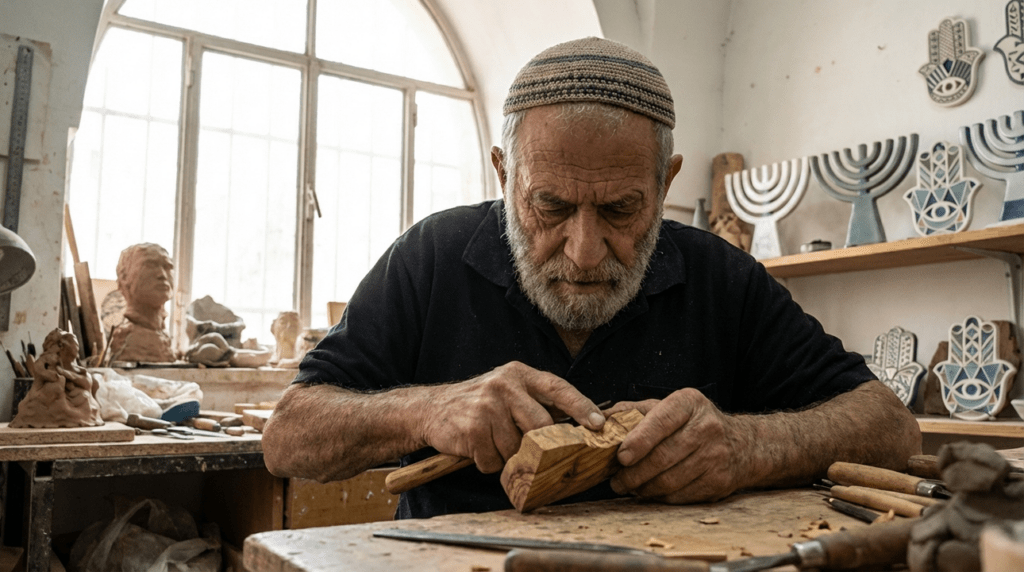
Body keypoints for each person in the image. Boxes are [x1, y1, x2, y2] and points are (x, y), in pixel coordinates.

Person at [262, 37, 921, 518]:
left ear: (664, 186)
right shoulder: (433, 257)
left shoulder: (718, 276)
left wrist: (750, 445)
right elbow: (287, 438)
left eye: (620, 209)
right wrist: (427, 408)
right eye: (549, 206)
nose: (583, 251)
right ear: (503, 174)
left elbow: (892, 426)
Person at [107, 243, 177, 363]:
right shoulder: (127, 341)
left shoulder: (163, 337)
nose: (162, 275)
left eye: (168, 267)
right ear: (124, 277)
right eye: (150, 265)